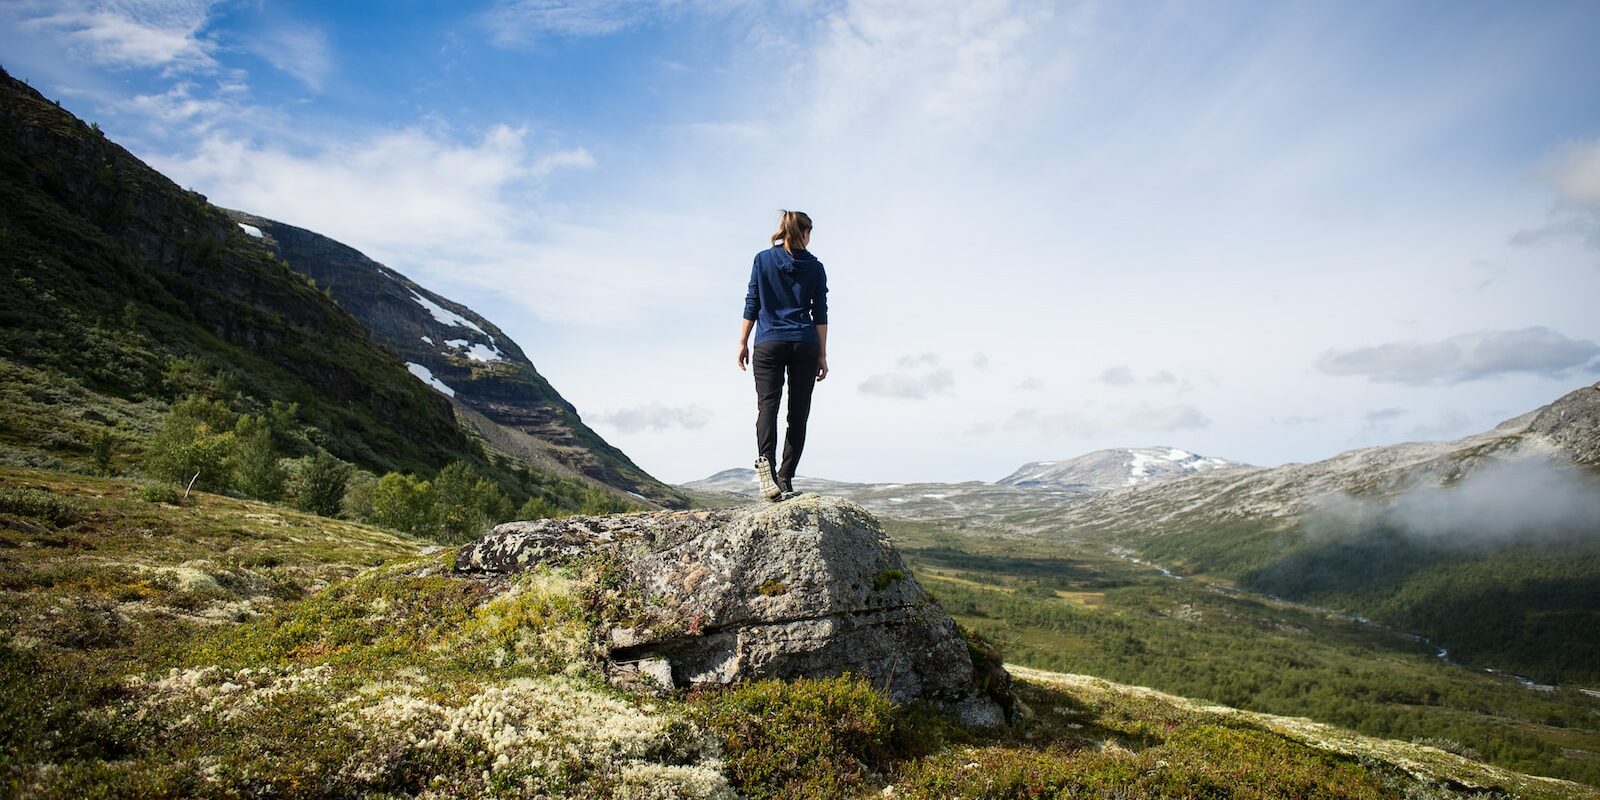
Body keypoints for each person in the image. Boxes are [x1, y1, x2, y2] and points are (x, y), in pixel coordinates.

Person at [738, 210, 829, 501]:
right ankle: (785, 477)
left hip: (767, 342)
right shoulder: (815, 267)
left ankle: (767, 469)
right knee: (798, 413)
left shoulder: (762, 259)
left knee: (768, 407)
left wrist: (742, 341)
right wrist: (823, 354)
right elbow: (820, 313)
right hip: (804, 342)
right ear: (805, 233)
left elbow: (753, 301)